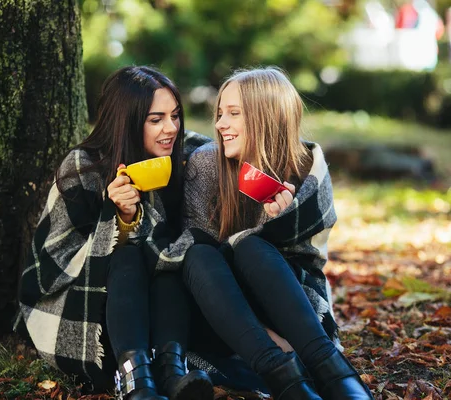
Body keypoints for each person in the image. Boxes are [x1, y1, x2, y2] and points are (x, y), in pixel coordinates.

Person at [148, 68, 374, 399]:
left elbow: (309, 260)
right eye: (220, 113)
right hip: (221, 307)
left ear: (265, 115)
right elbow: (202, 256)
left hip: (287, 303)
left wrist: (279, 221)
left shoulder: (303, 169)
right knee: (201, 251)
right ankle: (286, 377)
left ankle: (335, 372)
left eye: (233, 114)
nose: (221, 124)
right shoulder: (206, 164)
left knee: (253, 248)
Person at [16, 66, 212, 400]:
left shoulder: (186, 155)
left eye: (175, 116)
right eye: (156, 119)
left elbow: (231, 156)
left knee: (169, 264)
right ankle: (135, 382)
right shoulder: (83, 166)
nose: (171, 129)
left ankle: (171, 373)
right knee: (129, 256)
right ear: (128, 121)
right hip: (91, 320)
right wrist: (118, 217)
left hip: (160, 311)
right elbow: (53, 259)